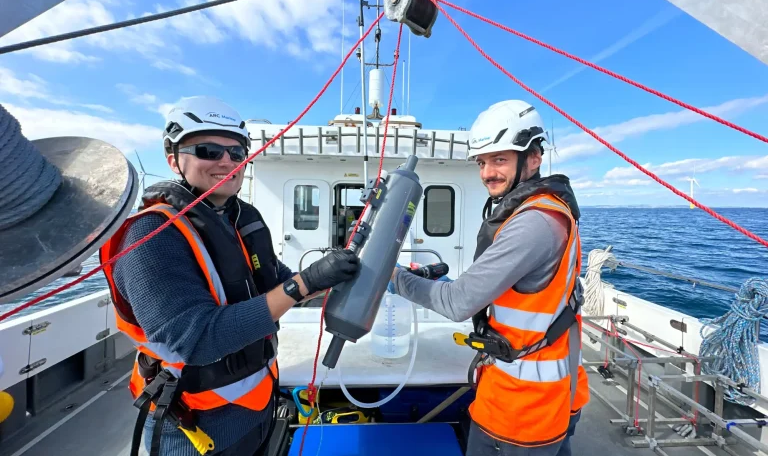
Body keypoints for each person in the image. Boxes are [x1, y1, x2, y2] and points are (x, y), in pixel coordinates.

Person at [99, 96, 359, 456]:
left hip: (259, 403)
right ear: (173, 159)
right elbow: (197, 339)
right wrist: (306, 283)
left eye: (237, 153)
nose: (227, 162)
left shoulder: (240, 219)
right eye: (208, 150)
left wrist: (340, 279)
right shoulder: (151, 236)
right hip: (194, 428)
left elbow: (277, 281)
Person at [390, 100, 589, 456]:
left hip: (520, 412)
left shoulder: (534, 223)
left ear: (533, 157)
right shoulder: (549, 209)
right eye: (482, 162)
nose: (486, 173)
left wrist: (395, 277)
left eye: (499, 160)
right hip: (556, 394)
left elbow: (457, 302)